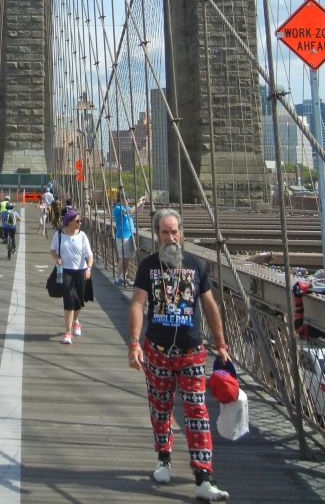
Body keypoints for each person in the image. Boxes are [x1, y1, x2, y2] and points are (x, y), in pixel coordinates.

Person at [127, 207, 230, 502]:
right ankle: (164, 458)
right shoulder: (148, 267)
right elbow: (136, 304)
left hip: (191, 351)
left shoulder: (196, 266)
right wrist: (134, 343)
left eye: (174, 231)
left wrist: (221, 344)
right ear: (156, 235)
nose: (170, 237)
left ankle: (203, 476)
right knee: (161, 410)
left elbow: (210, 306)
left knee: (197, 411)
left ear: (181, 234)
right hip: (157, 351)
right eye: (164, 232)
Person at [49, 209, 93, 345]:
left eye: (80, 221)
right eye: (77, 221)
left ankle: (75, 321)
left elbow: (89, 255)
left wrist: (89, 268)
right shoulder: (60, 234)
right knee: (69, 301)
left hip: (81, 271)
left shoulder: (82, 236)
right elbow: (52, 250)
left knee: (78, 302)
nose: (80, 223)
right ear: (69, 222)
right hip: (66, 271)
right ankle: (68, 333)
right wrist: (57, 259)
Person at [112, 189, 136, 286]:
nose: (128, 200)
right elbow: (129, 211)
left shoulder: (126, 207)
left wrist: (142, 204)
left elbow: (135, 211)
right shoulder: (117, 208)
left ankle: (123, 277)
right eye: (126, 198)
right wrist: (138, 203)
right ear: (121, 198)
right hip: (122, 236)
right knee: (123, 257)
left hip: (129, 235)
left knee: (127, 258)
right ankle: (117, 278)